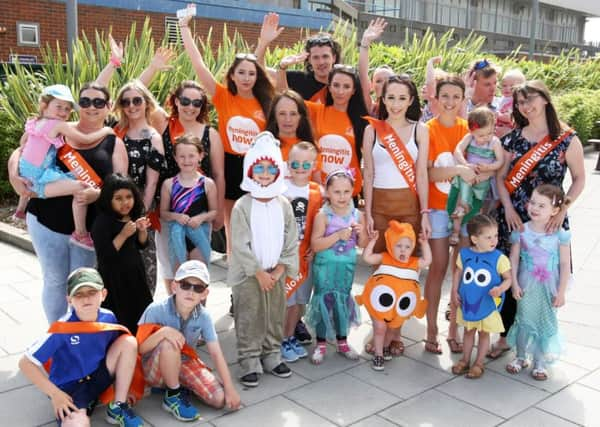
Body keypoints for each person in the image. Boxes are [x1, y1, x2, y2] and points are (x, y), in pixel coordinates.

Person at [8, 82, 128, 323]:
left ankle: (78, 334)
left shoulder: (114, 142)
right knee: (54, 280)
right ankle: (56, 335)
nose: (91, 107)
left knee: (82, 283)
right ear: (78, 106)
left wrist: (98, 195)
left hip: (90, 228)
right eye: (85, 102)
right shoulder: (59, 128)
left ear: (107, 107)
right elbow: (21, 151)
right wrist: (13, 173)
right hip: (46, 222)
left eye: (98, 102)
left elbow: (121, 188)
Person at [488, 80, 585, 359]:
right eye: (520, 102)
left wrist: (563, 209)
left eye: (530, 99)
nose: (525, 106)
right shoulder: (513, 139)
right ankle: (506, 336)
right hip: (515, 217)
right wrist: (506, 208)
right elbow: (501, 177)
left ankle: (541, 336)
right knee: (510, 273)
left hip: (549, 222)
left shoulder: (567, 139)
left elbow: (579, 179)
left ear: (545, 99)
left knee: (544, 277)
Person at [179, 10, 274, 257]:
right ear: (232, 75)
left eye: (251, 73)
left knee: (256, 227)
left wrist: (263, 43)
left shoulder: (265, 101)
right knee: (233, 228)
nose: (246, 77)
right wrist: (185, 29)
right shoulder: (223, 97)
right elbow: (198, 65)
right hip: (230, 165)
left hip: (258, 167)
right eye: (241, 72)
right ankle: (236, 279)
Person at [140, 47, 225, 288]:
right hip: (167, 209)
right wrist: (154, 67)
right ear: (176, 101)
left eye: (197, 102)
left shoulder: (211, 134)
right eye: (185, 101)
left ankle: (197, 318)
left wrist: (218, 211)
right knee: (171, 268)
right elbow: (135, 91)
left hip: (200, 211)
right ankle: (174, 315)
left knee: (198, 271)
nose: (190, 106)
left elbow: (218, 174)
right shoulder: (164, 123)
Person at [19, 267, 143, 427]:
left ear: (103, 294)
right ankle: (83, 407)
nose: (86, 299)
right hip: (69, 389)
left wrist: (123, 388)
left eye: (91, 292)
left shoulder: (108, 317)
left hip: (96, 378)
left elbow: (117, 353)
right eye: (78, 294)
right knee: (78, 424)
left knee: (129, 342)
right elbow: (25, 363)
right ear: (69, 300)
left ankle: (118, 407)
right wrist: (55, 394)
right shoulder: (61, 329)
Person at [361, 74, 431, 356]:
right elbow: (368, 172)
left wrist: (424, 213)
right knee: (382, 270)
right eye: (391, 97)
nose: (396, 104)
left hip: (408, 206)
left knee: (405, 268)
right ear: (383, 99)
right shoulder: (373, 130)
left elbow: (422, 173)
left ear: (411, 100)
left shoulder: (420, 130)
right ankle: (379, 326)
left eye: (402, 98)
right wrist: (366, 211)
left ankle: (396, 331)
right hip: (379, 205)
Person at [228, 131, 299, 387]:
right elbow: (240, 243)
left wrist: (280, 270)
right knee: (250, 315)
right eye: (260, 168)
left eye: (271, 168)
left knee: (274, 315)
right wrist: (257, 272)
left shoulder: (284, 204)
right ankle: (249, 359)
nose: (266, 174)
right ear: (250, 170)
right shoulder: (243, 205)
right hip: (250, 275)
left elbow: (292, 239)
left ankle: (272, 354)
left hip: (275, 272)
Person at [137, 260, 241, 421]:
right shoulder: (156, 310)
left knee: (219, 399)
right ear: (174, 287)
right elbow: (139, 349)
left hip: (184, 362)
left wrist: (230, 388)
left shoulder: (203, 316)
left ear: (204, 294)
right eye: (185, 285)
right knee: (169, 343)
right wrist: (163, 333)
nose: (190, 292)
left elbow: (216, 353)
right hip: (152, 368)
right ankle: (172, 396)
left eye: (198, 288)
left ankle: (179, 384)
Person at [18, 84, 114, 250]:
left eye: (67, 109)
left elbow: (23, 143)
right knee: (81, 187)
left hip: (27, 171)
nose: (63, 112)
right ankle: (81, 233)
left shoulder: (34, 122)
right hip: (40, 178)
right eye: (59, 107)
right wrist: (106, 130)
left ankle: (20, 209)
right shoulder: (59, 125)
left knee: (73, 176)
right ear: (44, 105)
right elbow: (85, 139)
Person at [424, 75, 479, 355]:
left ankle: (453, 330)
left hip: (465, 211)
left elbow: (477, 171)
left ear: (463, 100)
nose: (449, 102)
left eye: (455, 97)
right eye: (444, 96)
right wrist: (458, 170)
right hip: (436, 209)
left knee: (462, 272)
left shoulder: (468, 130)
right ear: (436, 97)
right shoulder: (428, 130)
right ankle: (431, 329)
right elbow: (429, 173)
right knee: (438, 268)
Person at [505, 185, 571, 381]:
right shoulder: (522, 231)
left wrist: (561, 292)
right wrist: (514, 284)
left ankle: (540, 361)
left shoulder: (561, 235)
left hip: (549, 286)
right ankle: (520, 356)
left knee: (545, 321)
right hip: (526, 283)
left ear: (555, 211)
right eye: (533, 202)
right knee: (523, 319)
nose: (534, 208)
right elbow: (514, 259)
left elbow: (565, 264)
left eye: (542, 205)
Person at [278, 61, 368, 197]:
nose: (340, 91)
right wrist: (282, 68)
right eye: (336, 85)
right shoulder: (316, 111)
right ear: (329, 87)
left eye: (346, 86)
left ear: (354, 90)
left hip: (347, 194)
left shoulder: (361, 121)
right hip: (318, 191)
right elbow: (286, 98)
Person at [306, 169, 368, 364]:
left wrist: (361, 233)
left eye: (346, 192)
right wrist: (336, 236)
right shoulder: (323, 215)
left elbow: (363, 244)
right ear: (327, 192)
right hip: (325, 266)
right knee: (324, 301)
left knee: (342, 301)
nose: (342, 197)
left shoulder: (357, 215)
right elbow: (315, 244)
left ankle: (343, 341)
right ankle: (321, 343)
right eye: (337, 192)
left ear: (353, 192)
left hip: (346, 268)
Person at [113, 80, 166, 296]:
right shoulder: (117, 131)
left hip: (143, 205)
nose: (132, 106)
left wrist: (137, 212)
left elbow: (152, 182)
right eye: (126, 101)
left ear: (146, 103)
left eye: (137, 100)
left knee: (145, 259)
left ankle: (144, 312)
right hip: (116, 204)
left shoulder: (153, 137)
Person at [362, 221, 431, 370]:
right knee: (380, 327)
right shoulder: (385, 257)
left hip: (398, 306)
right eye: (398, 246)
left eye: (407, 247)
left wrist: (424, 244)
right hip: (378, 304)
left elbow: (428, 261)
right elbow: (367, 258)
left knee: (392, 328)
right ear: (390, 244)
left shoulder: (413, 262)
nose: (403, 250)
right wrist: (372, 241)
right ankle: (378, 355)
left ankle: (385, 347)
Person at [450, 215, 511, 379]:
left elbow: (508, 279)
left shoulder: (499, 258)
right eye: (488, 237)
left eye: (496, 236)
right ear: (475, 239)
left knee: (484, 333)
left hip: (487, 304)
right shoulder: (464, 254)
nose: (494, 240)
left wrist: (500, 288)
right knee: (468, 331)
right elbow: (458, 273)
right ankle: (464, 360)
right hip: (468, 302)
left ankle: (479, 363)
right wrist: (455, 291)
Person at [91, 173, 153, 335]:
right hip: (113, 278)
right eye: (118, 198)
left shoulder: (132, 217)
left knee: (140, 311)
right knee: (120, 315)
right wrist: (123, 235)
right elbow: (105, 255)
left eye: (128, 197)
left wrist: (142, 230)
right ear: (108, 200)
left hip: (135, 273)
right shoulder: (102, 222)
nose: (125, 203)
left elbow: (142, 244)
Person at [280, 142, 323, 362]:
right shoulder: (280, 188)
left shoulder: (318, 191)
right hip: (286, 257)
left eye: (306, 164)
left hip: (306, 257)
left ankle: (290, 338)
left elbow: (321, 225)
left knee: (299, 301)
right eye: (295, 163)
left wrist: (315, 250)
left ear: (314, 165)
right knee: (286, 301)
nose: (300, 167)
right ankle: (281, 339)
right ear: (288, 164)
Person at [447, 107, 504, 246]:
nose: (486, 138)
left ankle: (470, 229)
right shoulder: (469, 138)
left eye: (490, 133)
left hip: (483, 178)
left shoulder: (495, 142)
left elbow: (500, 161)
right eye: (481, 135)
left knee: (477, 207)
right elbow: (458, 151)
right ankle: (455, 230)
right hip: (469, 173)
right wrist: (466, 164)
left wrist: (488, 168)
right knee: (462, 195)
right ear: (472, 131)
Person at [160, 134, 217, 270]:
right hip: (177, 235)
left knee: (199, 274)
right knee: (180, 276)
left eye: (191, 156)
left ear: (200, 156)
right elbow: (163, 213)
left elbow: (214, 212)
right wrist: (176, 216)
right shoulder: (169, 184)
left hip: (199, 233)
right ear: (175, 157)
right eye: (182, 156)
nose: (187, 160)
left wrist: (201, 218)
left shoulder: (207, 183)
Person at [256, 13, 342, 103]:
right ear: (309, 59)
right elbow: (258, 71)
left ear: (334, 58)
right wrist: (264, 42)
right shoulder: (298, 79)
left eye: (325, 56)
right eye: (316, 57)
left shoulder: (344, 84)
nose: (321, 62)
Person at [357, 17, 394, 116]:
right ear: (372, 86)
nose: (384, 84)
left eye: (388, 79)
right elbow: (363, 76)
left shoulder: (408, 110)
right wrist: (365, 42)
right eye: (378, 81)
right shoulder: (372, 109)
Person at [496, 69, 526, 138]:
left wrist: (497, 115)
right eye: (504, 85)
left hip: (510, 131)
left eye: (512, 86)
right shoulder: (502, 99)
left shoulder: (516, 101)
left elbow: (510, 117)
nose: (507, 88)